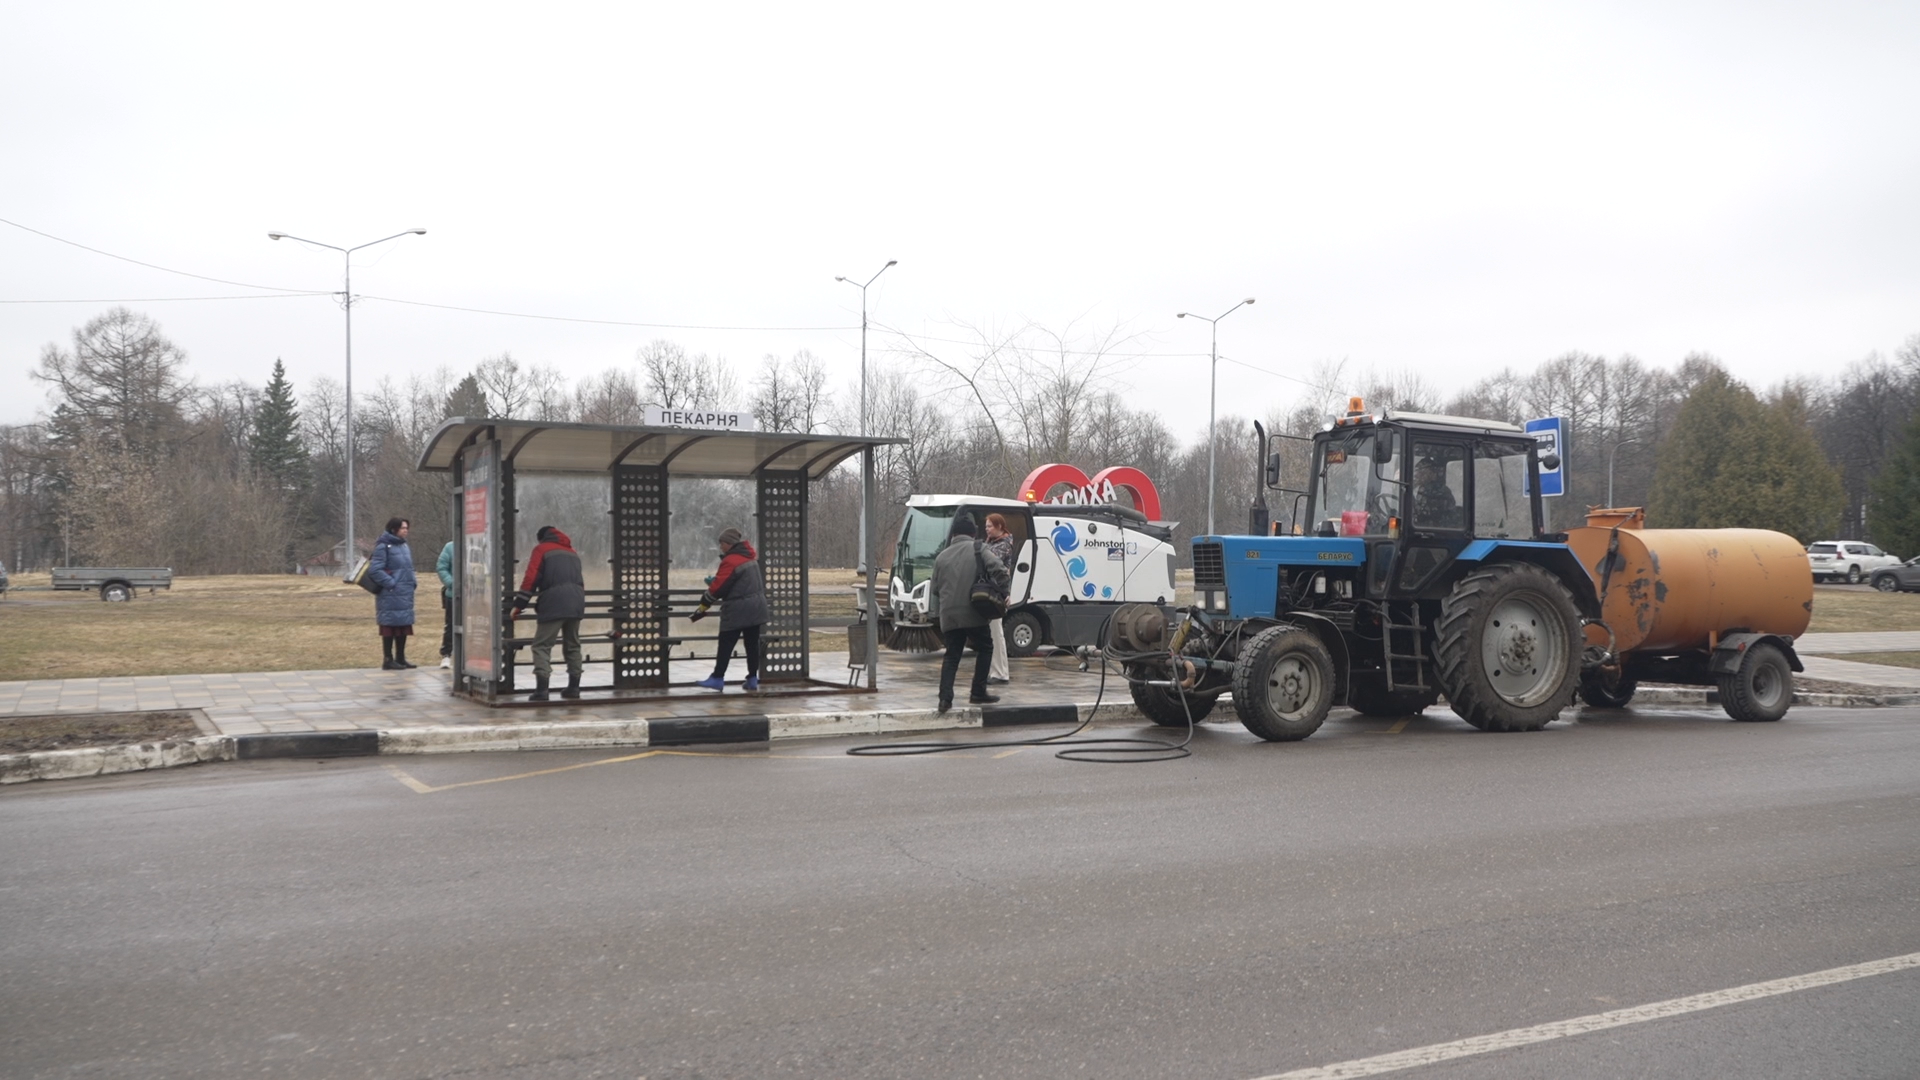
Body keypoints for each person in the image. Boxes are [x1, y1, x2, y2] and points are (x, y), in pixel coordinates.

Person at [928, 514, 1010, 712]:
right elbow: (1000, 569)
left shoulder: (941, 556)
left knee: (952, 655)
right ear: (973, 533)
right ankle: (978, 692)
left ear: (954, 533)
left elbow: (935, 589)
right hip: (973, 611)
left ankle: (945, 699)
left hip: (949, 615)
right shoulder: (979, 548)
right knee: (986, 647)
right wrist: (1004, 591)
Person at [513, 525, 587, 700]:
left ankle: (542, 690)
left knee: (541, 645)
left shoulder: (542, 549)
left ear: (541, 538)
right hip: (576, 602)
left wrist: (519, 604)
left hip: (554, 603)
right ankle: (574, 688)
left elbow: (531, 577)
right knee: (573, 645)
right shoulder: (572, 552)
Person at [692, 527, 768, 692]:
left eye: (722, 543)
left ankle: (717, 678)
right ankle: (752, 679)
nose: (720, 547)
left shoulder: (731, 560)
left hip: (738, 609)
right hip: (756, 607)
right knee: (751, 644)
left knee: (726, 642)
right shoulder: (750, 558)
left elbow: (719, 588)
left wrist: (704, 603)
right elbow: (739, 583)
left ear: (729, 544)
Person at [368, 517, 418, 670]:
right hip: (390, 593)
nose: (406, 531)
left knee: (403, 624)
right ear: (394, 529)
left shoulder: (404, 546)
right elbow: (375, 569)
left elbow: (407, 567)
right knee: (390, 626)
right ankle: (388, 659)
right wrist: (391, 583)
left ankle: (401, 658)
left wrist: (412, 581)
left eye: (407, 528)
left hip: (405, 592)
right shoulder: (383, 546)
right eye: (403, 528)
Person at [983, 512, 1016, 685]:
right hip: (990, 592)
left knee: (996, 634)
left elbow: (988, 561)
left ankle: (1000, 673)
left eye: (989, 526)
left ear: (999, 527)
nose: (986, 529)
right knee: (991, 633)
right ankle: (995, 670)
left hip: (996, 593)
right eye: (986, 526)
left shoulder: (1003, 545)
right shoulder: (990, 543)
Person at [1412, 456, 1461, 528]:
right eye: (1418, 471)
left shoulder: (1441, 491)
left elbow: (1432, 514)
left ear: (1432, 473)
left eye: (1422, 472)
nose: (1418, 475)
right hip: (1420, 529)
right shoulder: (1420, 488)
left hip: (1436, 531)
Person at [435, 539, 456, 669]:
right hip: (454, 595)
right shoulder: (450, 547)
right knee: (451, 625)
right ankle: (446, 654)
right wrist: (452, 584)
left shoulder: (480, 544)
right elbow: (441, 567)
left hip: (476, 595)